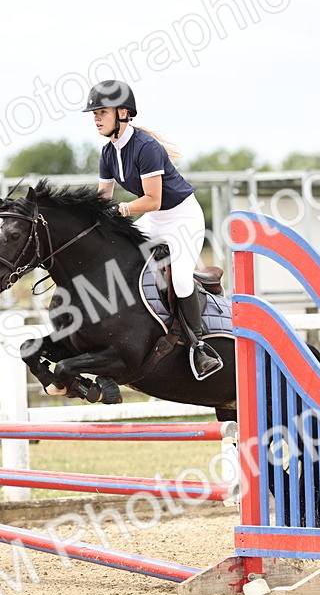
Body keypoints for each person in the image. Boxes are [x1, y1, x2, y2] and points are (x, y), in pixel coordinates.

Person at [83, 79, 223, 380]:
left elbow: (153, 199)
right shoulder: (108, 153)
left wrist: (121, 210)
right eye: (94, 113)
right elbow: (103, 199)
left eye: (102, 112)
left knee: (182, 279)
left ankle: (199, 347)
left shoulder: (146, 148)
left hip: (182, 218)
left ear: (122, 113)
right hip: (155, 219)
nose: (96, 118)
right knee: (120, 257)